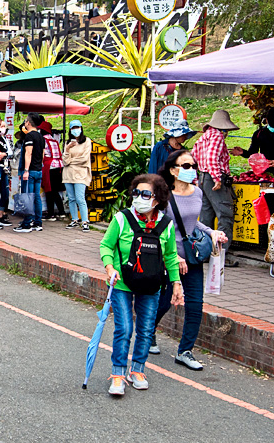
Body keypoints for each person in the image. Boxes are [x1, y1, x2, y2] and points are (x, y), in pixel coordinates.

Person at [99, 173, 184, 395]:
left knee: (146, 330)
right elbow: (106, 246)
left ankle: (137, 370)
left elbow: (171, 256)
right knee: (124, 328)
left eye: (146, 194)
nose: (139, 197)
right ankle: (117, 374)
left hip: (152, 284)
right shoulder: (121, 219)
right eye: (136, 193)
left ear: (157, 199)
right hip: (122, 283)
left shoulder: (165, 224)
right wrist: (110, 268)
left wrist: (176, 283)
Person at [151, 148, 227, 371]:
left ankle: (185, 351)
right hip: (168, 258)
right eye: (186, 166)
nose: (191, 170)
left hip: (191, 258)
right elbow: (157, 228)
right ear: (174, 170)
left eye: (193, 166)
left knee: (195, 304)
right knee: (164, 301)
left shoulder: (197, 192)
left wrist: (212, 232)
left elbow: (193, 224)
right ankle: (148, 334)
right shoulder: (163, 195)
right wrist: (173, 257)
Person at [192, 109, 238, 235]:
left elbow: (194, 157)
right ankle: (221, 249)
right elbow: (211, 158)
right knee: (225, 213)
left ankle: (205, 246)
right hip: (213, 179)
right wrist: (217, 179)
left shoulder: (203, 137)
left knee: (206, 214)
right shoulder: (217, 136)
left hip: (203, 178)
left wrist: (197, 179)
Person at [14, 113, 47, 233]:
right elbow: (42, 154)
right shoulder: (41, 137)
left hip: (30, 171)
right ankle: (38, 222)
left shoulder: (29, 137)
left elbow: (28, 153)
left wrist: (26, 170)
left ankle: (27, 223)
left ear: (28, 122)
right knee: (36, 197)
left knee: (27, 196)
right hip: (38, 170)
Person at [61, 120, 93, 230]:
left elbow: (84, 159)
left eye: (77, 127)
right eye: (73, 128)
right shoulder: (67, 143)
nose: (75, 130)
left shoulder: (87, 141)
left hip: (80, 174)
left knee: (80, 198)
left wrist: (71, 161)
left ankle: (85, 221)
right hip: (68, 175)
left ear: (81, 128)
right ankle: (74, 219)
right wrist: (68, 149)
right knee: (71, 198)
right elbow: (65, 161)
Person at [42, 122, 66, 220]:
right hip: (59, 167)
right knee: (55, 191)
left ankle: (51, 213)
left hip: (49, 167)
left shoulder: (43, 140)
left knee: (49, 191)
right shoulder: (54, 140)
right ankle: (61, 211)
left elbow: (42, 154)